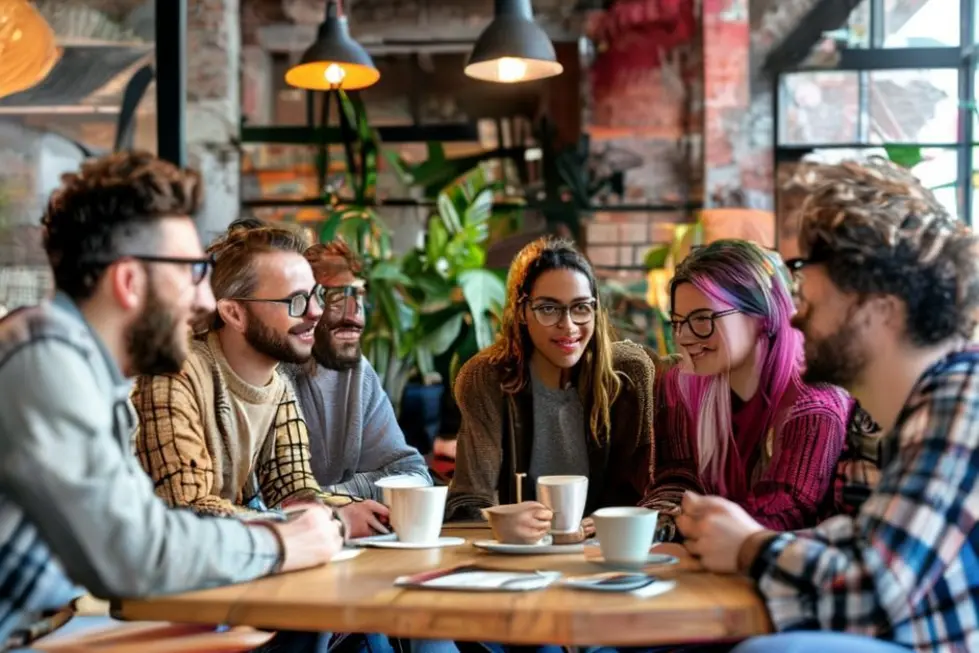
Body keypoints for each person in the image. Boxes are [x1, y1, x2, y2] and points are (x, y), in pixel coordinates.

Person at [0, 152, 342, 649]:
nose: (206, 300)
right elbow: (133, 552)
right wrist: (280, 542)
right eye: (193, 271)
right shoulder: (43, 359)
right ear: (130, 281)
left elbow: (136, 539)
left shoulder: (91, 377)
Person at [677, 158, 979, 652]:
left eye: (804, 273)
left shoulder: (964, 396)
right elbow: (866, 544)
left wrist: (750, 546)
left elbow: (877, 589)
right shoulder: (900, 411)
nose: (793, 312)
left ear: (878, 301)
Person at [132, 224, 388, 539]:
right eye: (296, 301)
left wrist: (347, 509)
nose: (316, 312)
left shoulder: (277, 385)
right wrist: (333, 520)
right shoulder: (173, 375)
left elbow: (293, 490)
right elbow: (189, 511)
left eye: (315, 296)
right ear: (234, 314)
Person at [445, 236, 657, 541]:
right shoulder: (487, 378)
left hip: (608, 551)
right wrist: (499, 518)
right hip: (519, 553)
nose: (568, 325)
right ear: (521, 312)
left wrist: (613, 519)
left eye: (581, 308)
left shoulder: (628, 375)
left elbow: (652, 489)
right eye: (548, 309)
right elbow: (467, 501)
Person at [641, 240, 850, 538]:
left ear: (762, 316)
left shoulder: (813, 403)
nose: (684, 337)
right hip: (706, 561)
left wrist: (686, 527)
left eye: (702, 319)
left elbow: (782, 510)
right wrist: (653, 522)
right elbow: (677, 477)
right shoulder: (681, 389)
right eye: (678, 322)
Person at [287, 241, 431, 503]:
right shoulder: (272, 374)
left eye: (360, 296)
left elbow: (412, 474)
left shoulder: (358, 373)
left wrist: (331, 498)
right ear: (301, 304)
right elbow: (261, 497)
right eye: (338, 297)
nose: (356, 315)